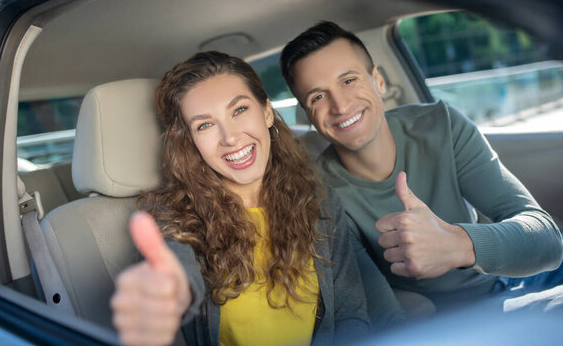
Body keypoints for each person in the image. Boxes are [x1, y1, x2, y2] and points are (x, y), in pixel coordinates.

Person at [279, 21, 563, 310]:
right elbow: (376, 306)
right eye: (318, 96)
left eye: (349, 80)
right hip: (448, 318)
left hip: (511, 278)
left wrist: (457, 244)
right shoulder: (318, 192)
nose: (339, 105)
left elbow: (548, 241)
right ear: (308, 116)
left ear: (378, 80)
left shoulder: (442, 124)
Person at [110, 51, 383, 346]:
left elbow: (350, 312)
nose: (230, 137)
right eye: (205, 125)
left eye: (239, 110)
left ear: (266, 111)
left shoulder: (318, 200)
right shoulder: (168, 218)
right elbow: (173, 271)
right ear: (190, 143)